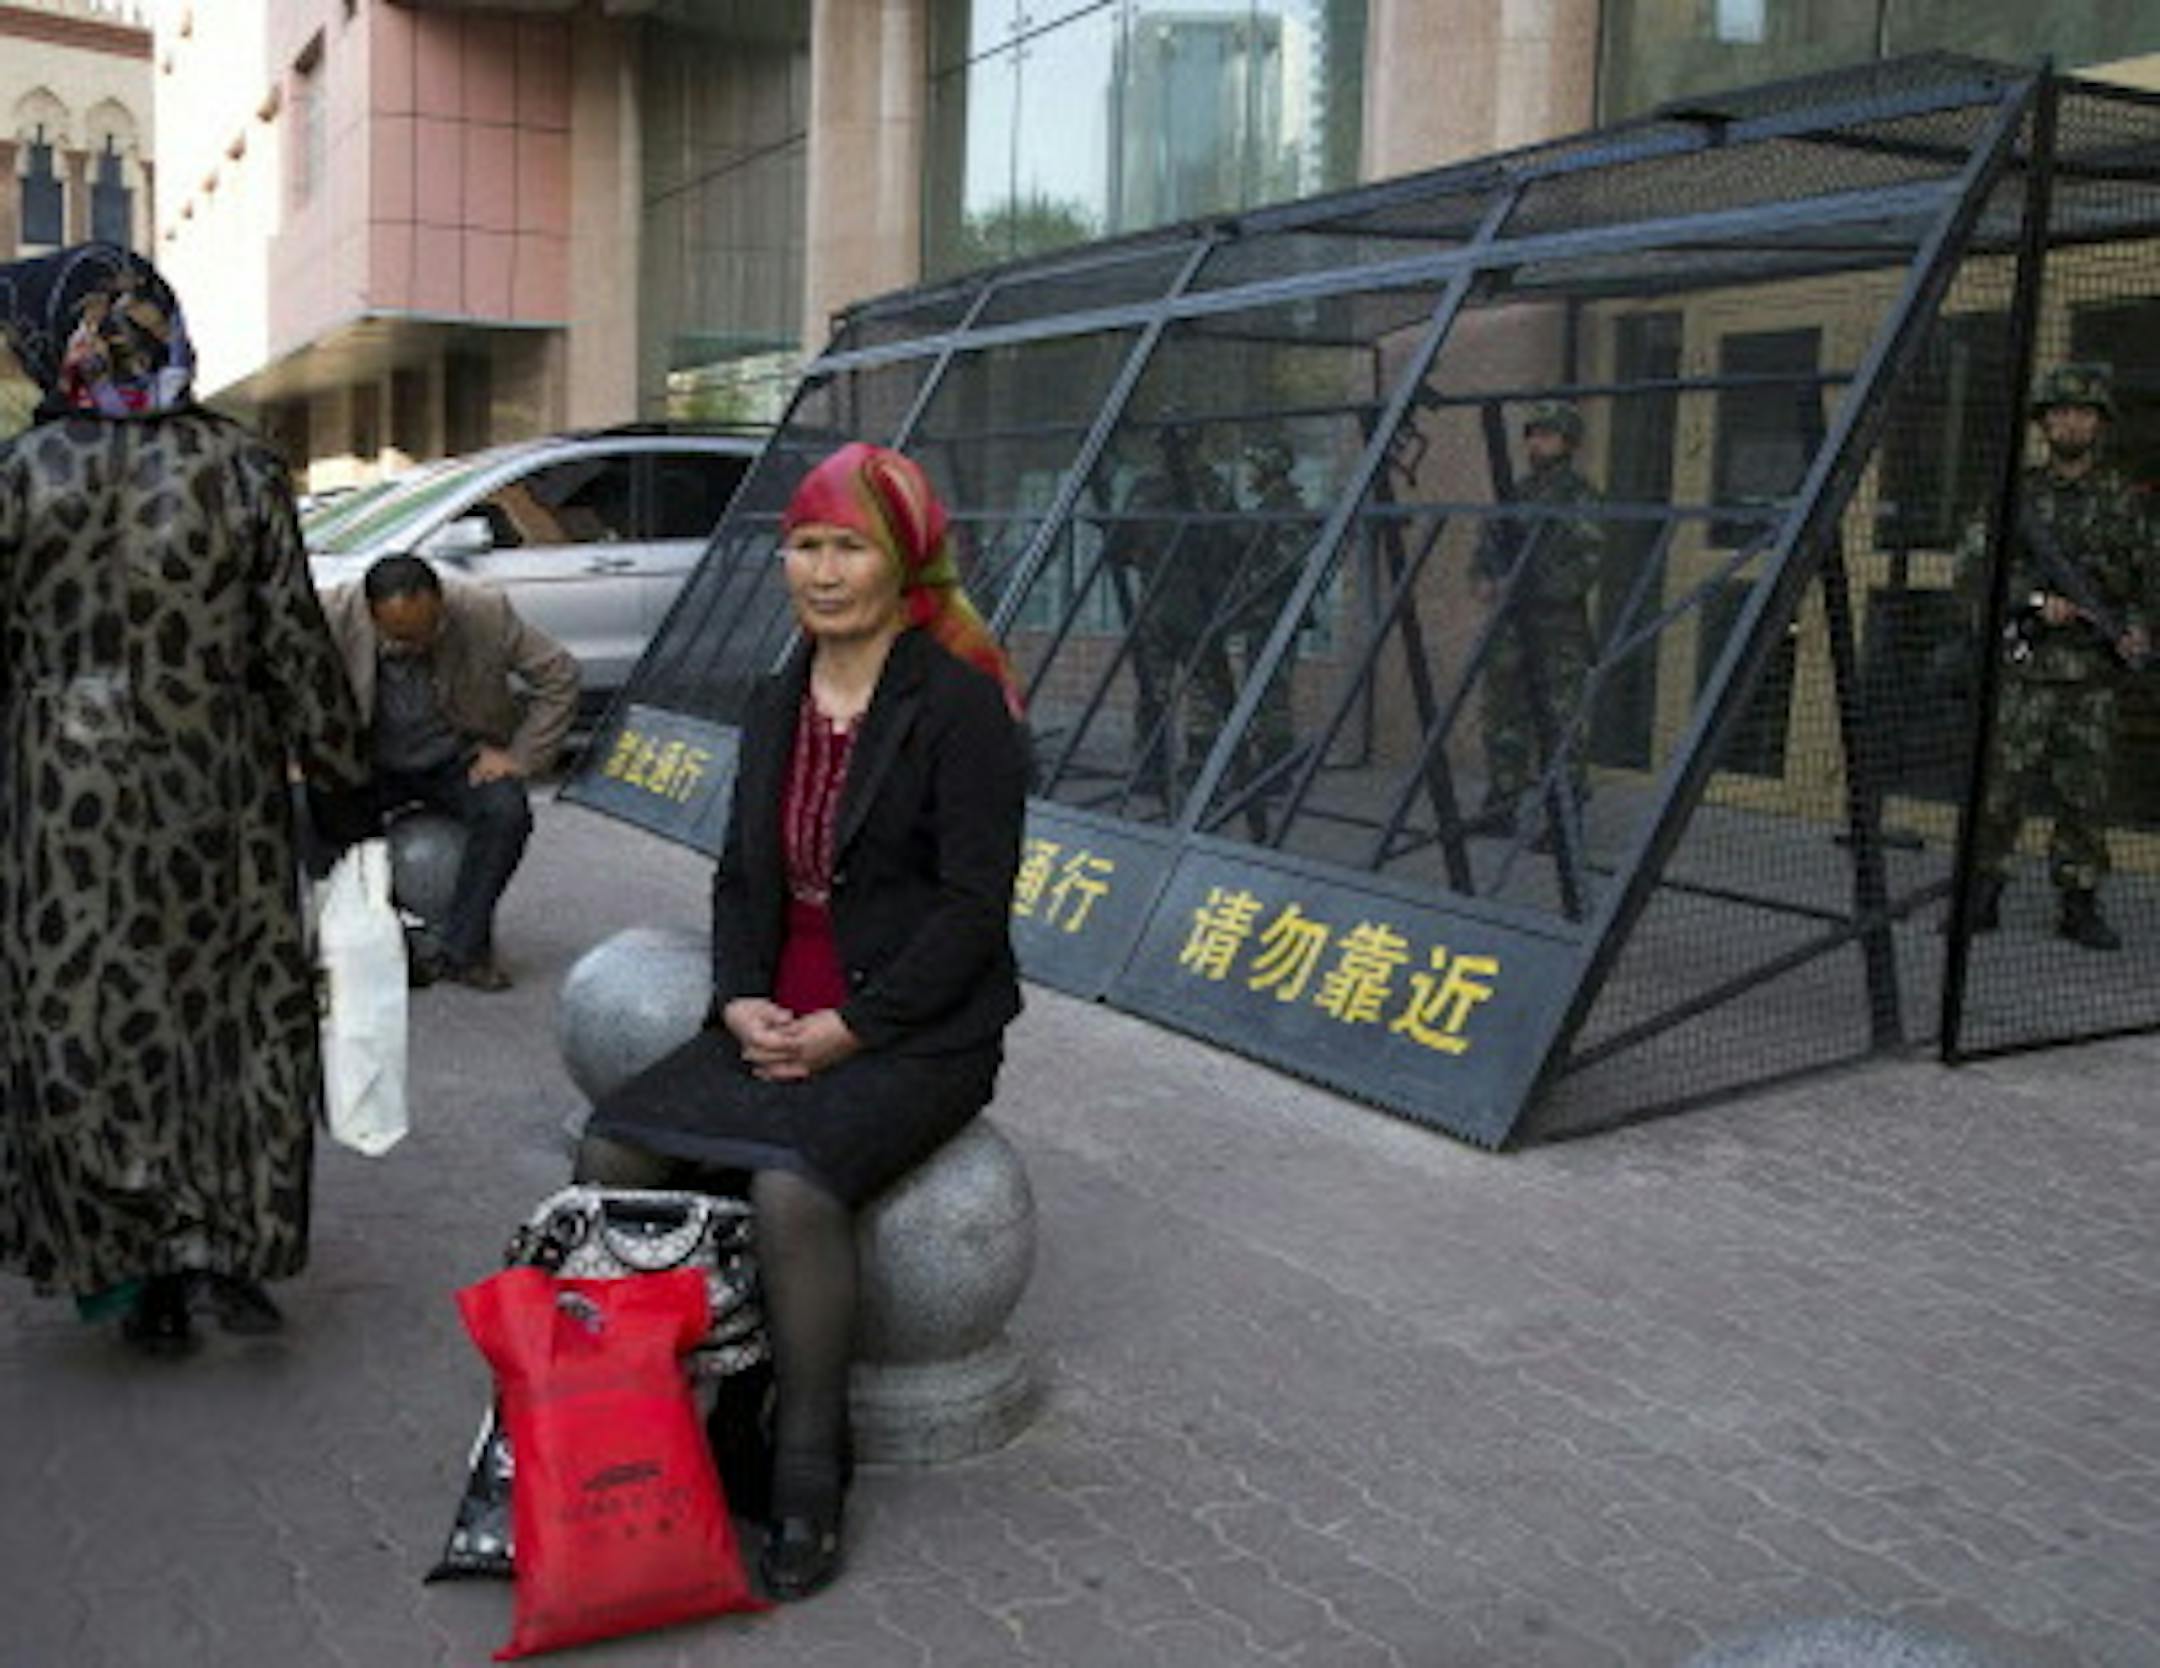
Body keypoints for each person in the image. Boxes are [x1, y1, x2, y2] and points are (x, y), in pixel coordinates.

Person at [572, 442, 1028, 1601]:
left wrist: (853, 1030)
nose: (820, 573)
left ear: (905, 558)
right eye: (804, 546)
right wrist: (736, 996)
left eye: (847, 547)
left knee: (791, 1185)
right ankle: (639, 1444)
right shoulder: (780, 692)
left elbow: (975, 912)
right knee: (612, 1148)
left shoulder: (960, 703)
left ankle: (806, 1469)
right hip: (776, 1005)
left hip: (919, 1029)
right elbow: (739, 876)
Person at [0, 243, 374, 1356]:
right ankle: (230, 1253)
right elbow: (296, 647)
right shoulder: (242, 466)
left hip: (60, 795)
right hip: (220, 785)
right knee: (237, 1019)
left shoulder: (18, 475)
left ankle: (129, 1275)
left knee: (83, 1021)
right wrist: (345, 788)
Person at [1957, 362, 2153, 950]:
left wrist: (2136, 630)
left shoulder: (2123, 501)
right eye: (2060, 412)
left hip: (2093, 678)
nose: (2072, 422)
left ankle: (2079, 902)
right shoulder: (2017, 497)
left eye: (2084, 413)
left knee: (2085, 795)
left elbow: (2148, 579)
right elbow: (1972, 573)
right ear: (2044, 423)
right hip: (2025, 672)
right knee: (1998, 791)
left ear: (2100, 423)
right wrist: (2036, 602)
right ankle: (1982, 893)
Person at [321, 555, 580, 989]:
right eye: (401, 636)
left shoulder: (484, 611)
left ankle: (462, 949)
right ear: (370, 615)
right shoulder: (332, 615)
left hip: (455, 759)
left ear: (441, 602)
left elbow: (560, 675)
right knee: (316, 813)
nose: (417, 644)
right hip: (371, 760)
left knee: (506, 812)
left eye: (427, 630)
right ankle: (379, 947)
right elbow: (274, 685)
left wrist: (520, 755)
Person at [1469, 399, 1603, 840]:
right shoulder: (1518, 493)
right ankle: (1501, 805)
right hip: (1510, 627)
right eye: (1532, 433)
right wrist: (1484, 579)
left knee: (1560, 723)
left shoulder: (1579, 496)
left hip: (1555, 630)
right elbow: (1487, 546)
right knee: (1502, 715)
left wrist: (1531, 589)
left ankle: (1563, 818)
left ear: (1567, 441)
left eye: (1546, 434)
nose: (1536, 442)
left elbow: (1586, 564)